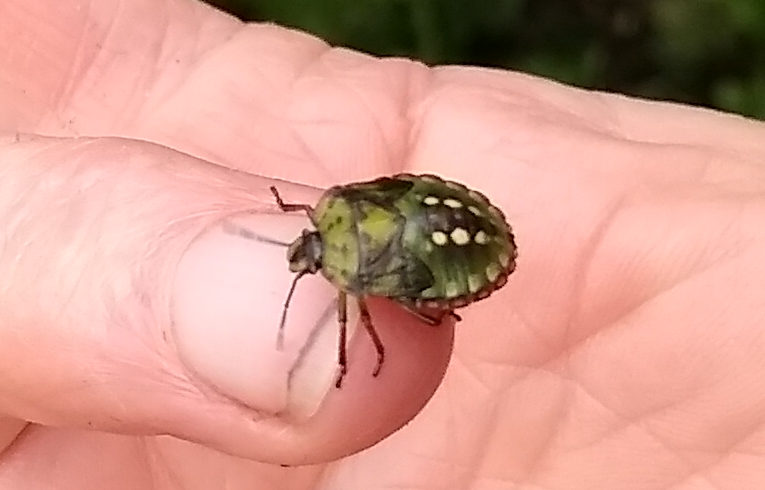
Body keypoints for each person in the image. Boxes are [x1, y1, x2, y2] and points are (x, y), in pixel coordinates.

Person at [1, 0, 764, 488]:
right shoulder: (337, 222)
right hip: (445, 228)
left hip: (442, 238)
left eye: (305, 248)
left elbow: (360, 310)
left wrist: (342, 355)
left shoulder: (348, 272)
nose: (304, 258)